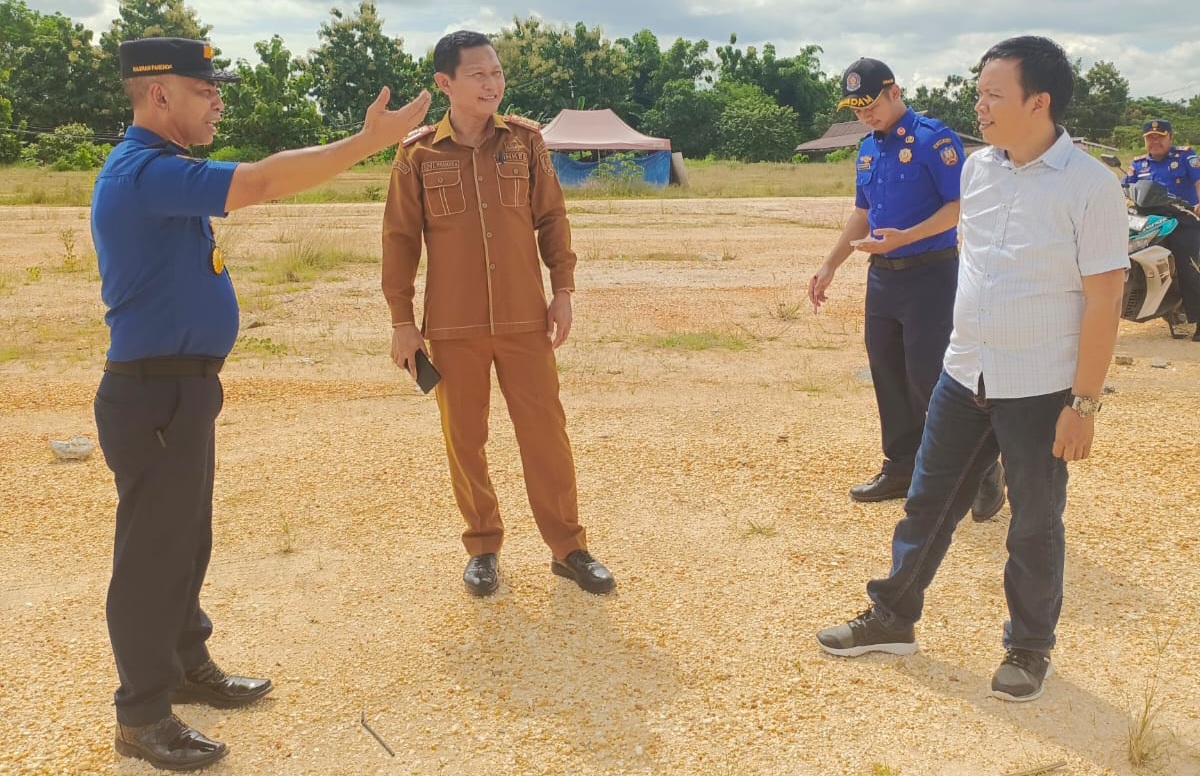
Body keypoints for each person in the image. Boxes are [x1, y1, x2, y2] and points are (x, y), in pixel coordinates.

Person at [92, 37, 430, 771]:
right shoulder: (144, 171)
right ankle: (143, 715)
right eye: (203, 88)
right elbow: (265, 182)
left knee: (185, 541)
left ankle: (185, 665)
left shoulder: (163, 170)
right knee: (153, 556)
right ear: (158, 96)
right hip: (152, 392)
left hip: (179, 389)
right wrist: (370, 143)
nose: (217, 100)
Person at [815, 36, 1129, 703]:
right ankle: (892, 617)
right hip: (967, 374)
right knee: (928, 503)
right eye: (978, 92)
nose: (978, 106)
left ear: (1037, 101)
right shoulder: (979, 171)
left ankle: (1027, 649)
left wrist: (1086, 402)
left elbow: (1105, 302)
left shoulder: (1091, 187)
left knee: (1034, 523)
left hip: (1041, 387)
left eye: (993, 95)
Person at [382, 30, 615, 598]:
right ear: (445, 83)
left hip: (524, 321)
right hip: (452, 325)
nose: (492, 84)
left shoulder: (527, 143)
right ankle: (483, 545)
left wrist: (562, 289)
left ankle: (568, 547)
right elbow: (399, 239)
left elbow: (552, 219)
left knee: (545, 434)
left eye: (497, 73)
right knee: (465, 438)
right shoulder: (416, 154)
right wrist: (401, 320)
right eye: (478, 74)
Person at [809, 57, 1005, 520]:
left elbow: (959, 206)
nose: (865, 116)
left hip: (930, 276)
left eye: (870, 105)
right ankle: (901, 468)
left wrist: (906, 237)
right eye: (856, 110)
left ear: (894, 92)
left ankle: (981, 471)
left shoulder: (933, 139)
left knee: (932, 381)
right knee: (889, 375)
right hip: (883, 279)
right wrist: (829, 264)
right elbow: (862, 212)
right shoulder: (868, 149)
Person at [1123, 118, 1200, 341]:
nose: (1155, 141)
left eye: (1160, 137)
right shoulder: (1138, 165)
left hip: (1181, 218)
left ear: (1170, 138)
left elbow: (1198, 181)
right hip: (1147, 220)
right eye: (1150, 138)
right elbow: (1124, 187)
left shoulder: (1185, 156)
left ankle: (1196, 318)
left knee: (1189, 267)